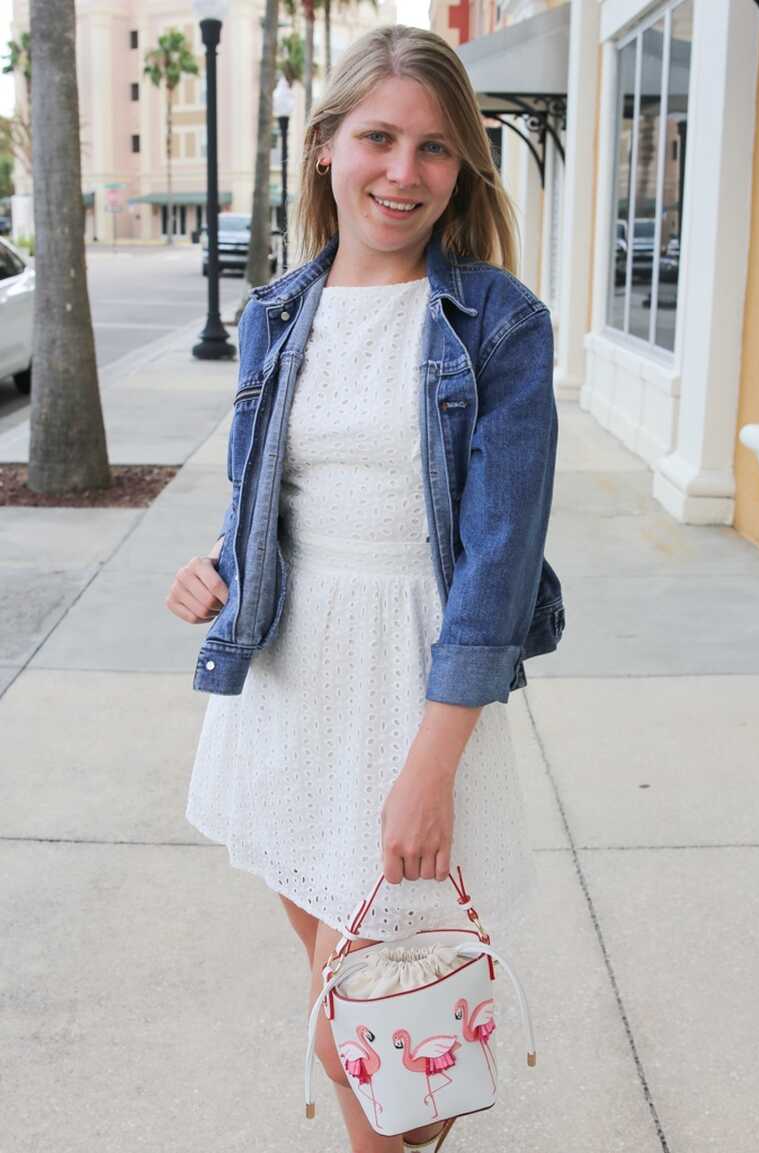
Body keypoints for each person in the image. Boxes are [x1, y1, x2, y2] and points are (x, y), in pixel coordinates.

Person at [165, 23, 564, 1153]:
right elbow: (272, 503)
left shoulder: (497, 324)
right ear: (326, 145)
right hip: (293, 689)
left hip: (415, 687)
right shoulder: (275, 316)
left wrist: (428, 770)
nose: (404, 171)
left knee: (399, 1012)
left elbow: (498, 558)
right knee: (343, 1000)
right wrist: (218, 571)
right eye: (379, 138)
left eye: (435, 149)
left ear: (461, 172)